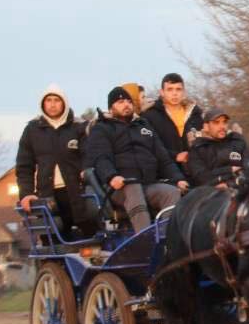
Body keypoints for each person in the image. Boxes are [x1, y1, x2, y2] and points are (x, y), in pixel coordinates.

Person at [85, 85, 188, 232]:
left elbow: (163, 158)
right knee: (133, 187)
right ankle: (145, 240)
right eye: (120, 102)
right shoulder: (102, 128)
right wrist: (112, 176)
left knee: (171, 192)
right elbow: (101, 158)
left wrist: (178, 179)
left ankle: (166, 240)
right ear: (111, 107)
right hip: (120, 187)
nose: (126, 105)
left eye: (128, 101)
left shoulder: (144, 126)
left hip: (147, 183)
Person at [14, 84, 97, 237]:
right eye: (49, 100)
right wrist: (26, 193)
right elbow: (24, 166)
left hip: (77, 193)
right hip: (47, 195)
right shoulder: (32, 130)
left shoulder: (79, 127)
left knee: (89, 238)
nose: (52, 104)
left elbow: (89, 156)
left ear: (64, 103)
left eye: (57, 100)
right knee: (52, 242)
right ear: (43, 104)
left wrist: (85, 173)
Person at [142, 72, 203, 165]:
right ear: (162, 92)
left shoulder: (195, 114)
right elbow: (150, 147)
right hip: (165, 171)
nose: (174, 93)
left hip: (195, 169)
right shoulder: (150, 116)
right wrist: (175, 156)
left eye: (178, 89)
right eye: (170, 89)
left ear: (184, 92)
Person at [184, 108, 249, 188]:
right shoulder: (198, 148)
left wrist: (229, 183)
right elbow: (201, 177)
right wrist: (229, 170)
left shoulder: (237, 141)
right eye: (216, 123)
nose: (222, 126)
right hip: (211, 194)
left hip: (241, 189)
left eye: (225, 122)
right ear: (206, 127)